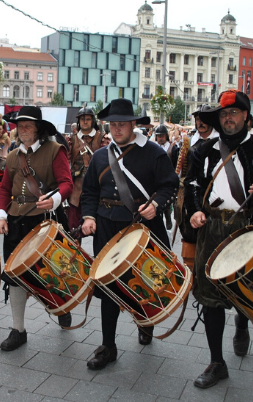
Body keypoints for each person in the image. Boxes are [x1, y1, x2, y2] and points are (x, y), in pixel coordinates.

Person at [185, 90, 253, 388]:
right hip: (213, 231)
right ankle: (217, 362)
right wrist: (194, 211)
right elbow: (193, 184)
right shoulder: (205, 150)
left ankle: (242, 321)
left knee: (247, 291)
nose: (228, 118)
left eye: (233, 113)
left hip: (250, 230)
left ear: (245, 116)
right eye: (223, 114)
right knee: (210, 298)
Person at [80, 99, 179, 369]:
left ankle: (145, 324)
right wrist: (88, 216)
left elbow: (171, 185)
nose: (117, 129)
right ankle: (108, 345)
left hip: (141, 228)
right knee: (108, 287)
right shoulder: (101, 156)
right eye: (113, 124)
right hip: (107, 227)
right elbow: (89, 192)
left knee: (144, 283)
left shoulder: (154, 152)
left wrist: (156, 205)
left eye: (122, 124)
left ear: (134, 124)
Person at [0, 106, 73, 351]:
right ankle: (18, 330)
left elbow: (66, 183)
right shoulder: (12, 155)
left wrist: (55, 199)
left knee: (54, 270)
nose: (23, 129)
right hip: (16, 220)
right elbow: (5, 189)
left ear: (38, 128)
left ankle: (61, 306)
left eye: (28, 125)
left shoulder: (55, 150)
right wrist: (0, 215)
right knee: (14, 274)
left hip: (46, 219)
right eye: (20, 125)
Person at [175, 104, 218, 269]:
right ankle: (191, 269)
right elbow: (180, 171)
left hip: (214, 197)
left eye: (203, 119)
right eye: (198, 119)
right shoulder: (188, 144)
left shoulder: (221, 143)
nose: (200, 123)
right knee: (190, 234)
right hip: (192, 195)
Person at [68, 107, 104, 233]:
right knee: (74, 231)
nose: (85, 122)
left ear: (92, 121)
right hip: (76, 188)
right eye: (82, 119)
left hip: (97, 187)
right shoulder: (71, 139)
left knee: (99, 231)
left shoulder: (102, 139)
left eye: (88, 119)